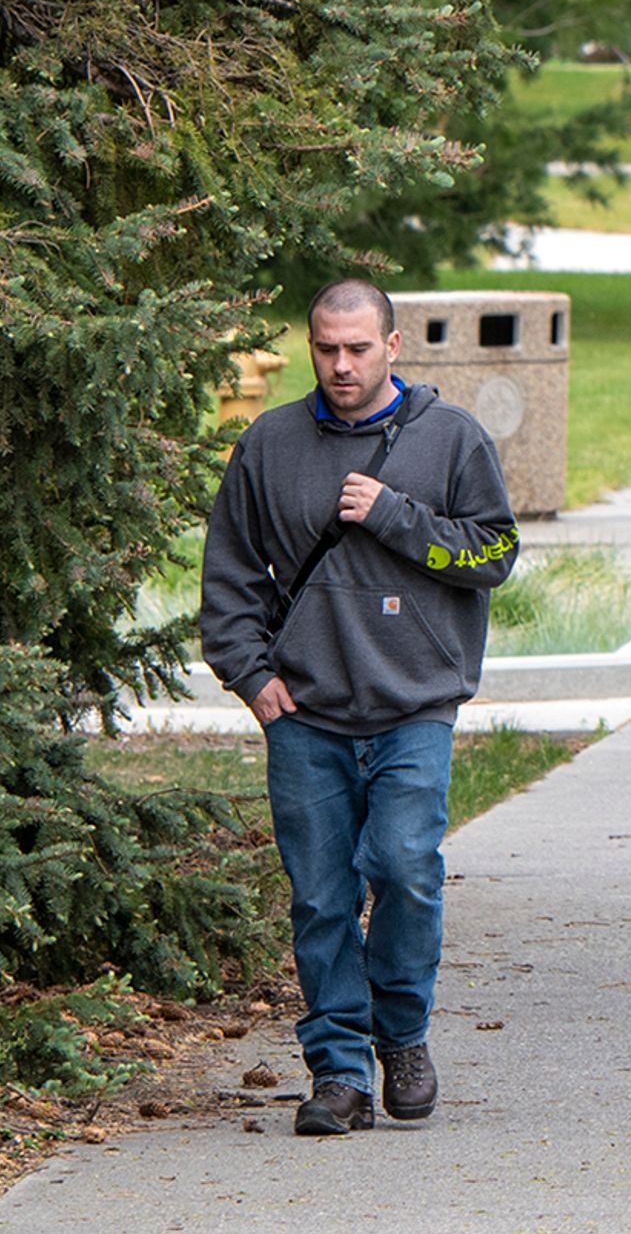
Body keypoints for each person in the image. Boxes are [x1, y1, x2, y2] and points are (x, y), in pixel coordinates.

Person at [200, 279, 524, 1136]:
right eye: (325, 348)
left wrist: (396, 515)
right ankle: (339, 1069)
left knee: (406, 868)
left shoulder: (451, 438)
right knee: (320, 895)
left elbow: (495, 551)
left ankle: (404, 1036)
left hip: (415, 704)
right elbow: (229, 574)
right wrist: (251, 677)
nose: (341, 364)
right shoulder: (269, 444)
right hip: (306, 711)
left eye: (357, 347)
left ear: (393, 345)